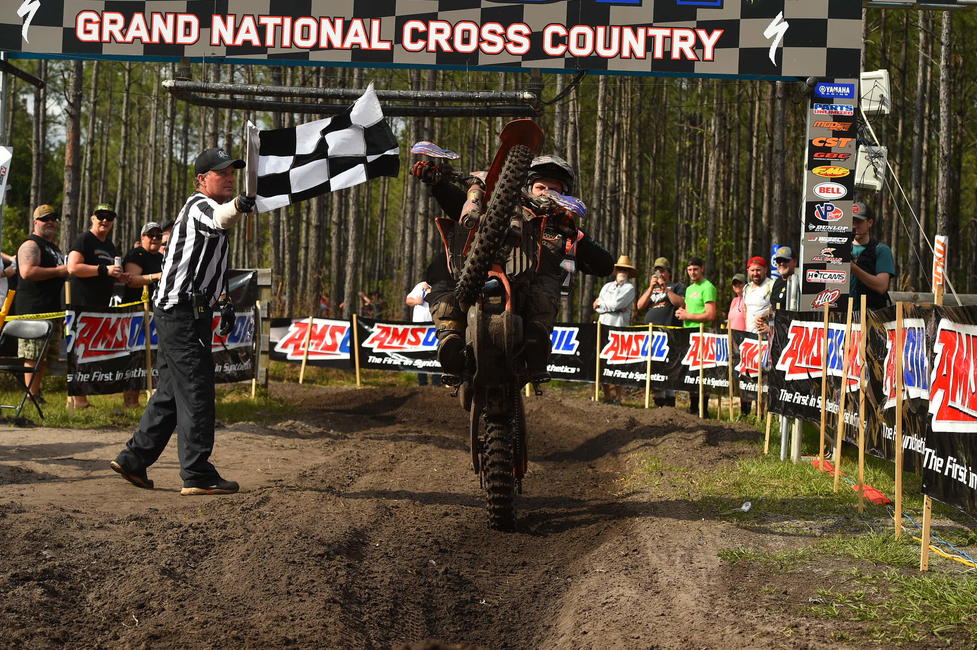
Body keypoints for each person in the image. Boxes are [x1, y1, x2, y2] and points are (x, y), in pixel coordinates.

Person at [111, 147, 254, 496]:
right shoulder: (198, 206)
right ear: (201, 180)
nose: (231, 177)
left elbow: (213, 269)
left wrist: (223, 302)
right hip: (182, 314)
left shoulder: (212, 213)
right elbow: (221, 218)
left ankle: (134, 459)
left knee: (172, 393)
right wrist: (240, 203)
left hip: (186, 312)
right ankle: (197, 473)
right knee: (197, 391)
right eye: (222, 173)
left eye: (233, 171)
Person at [414, 153, 613, 384]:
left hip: (530, 295)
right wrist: (437, 183)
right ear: (528, 187)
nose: (547, 193)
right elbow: (461, 205)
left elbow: (605, 264)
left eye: (554, 190)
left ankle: (536, 340)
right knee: (444, 260)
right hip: (477, 275)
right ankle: (449, 334)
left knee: (546, 280)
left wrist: (572, 233)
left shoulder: (563, 227)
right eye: (541, 187)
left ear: (565, 196)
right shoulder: (501, 207)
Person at [66, 203, 128, 409]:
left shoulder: (110, 246)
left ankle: (76, 398)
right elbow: (73, 267)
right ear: (92, 218)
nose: (105, 220)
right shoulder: (84, 239)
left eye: (109, 217)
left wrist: (119, 276)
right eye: (100, 215)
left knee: (89, 351)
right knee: (79, 350)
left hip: (100, 305)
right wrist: (104, 270)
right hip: (81, 303)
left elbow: (109, 272)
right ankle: (79, 400)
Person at [15, 205, 69, 403]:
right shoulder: (31, 244)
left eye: (53, 218)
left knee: (44, 357)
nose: (50, 222)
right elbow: (27, 272)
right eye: (45, 219)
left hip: (52, 310)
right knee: (32, 354)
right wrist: (59, 270)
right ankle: (30, 395)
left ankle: (35, 393)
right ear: (35, 222)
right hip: (34, 310)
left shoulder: (53, 247)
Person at [120, 221, 165, 408]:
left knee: (154, 356)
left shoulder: (162, 256)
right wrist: (155, 276)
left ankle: (155, 399)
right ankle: (131, 401)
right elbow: (131, 279)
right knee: (135, 357)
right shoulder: (137, 254)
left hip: (156, 311)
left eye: (158, 235)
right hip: (135, 311)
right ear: (142, 238)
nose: (154, 238)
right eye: (150, 235)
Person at [637, 256, 685, 408]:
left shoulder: (676, 286)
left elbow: (681, 302)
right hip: (651, 335)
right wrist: (651, 287)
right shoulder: (652, 289)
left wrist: (665, 288)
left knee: (669, 370)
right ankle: (659, 407)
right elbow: (640, 306)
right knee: (655, 370)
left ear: (668, 272)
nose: (659, 274)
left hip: (669, 333)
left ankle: (670, 407)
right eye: (656, 271)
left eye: (662, 271)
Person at [675, 257, 717, 415]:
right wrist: (681, 313)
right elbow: (687, 311)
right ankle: (693, 408)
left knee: (702, 373)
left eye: (695, 269)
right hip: (688, 334)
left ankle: (703, 410)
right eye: (690, 270)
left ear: (702, 269)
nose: (692, 273)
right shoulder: (689, 289)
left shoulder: (708, 287)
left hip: (703, 334)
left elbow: (711, 315)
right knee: (691, 373)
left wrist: (687, 316)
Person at [594, 255, 637, 403]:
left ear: (628, 272)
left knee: (618, 364)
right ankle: (606, 395)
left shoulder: (629, 288)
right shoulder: (606, 286)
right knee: (602, 362)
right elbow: (598, 306)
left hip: (619, 330)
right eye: (620, 268)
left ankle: (618, 397)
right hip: (603, 327)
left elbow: (613, 304)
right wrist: (609, 306)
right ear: (616, 270)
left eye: (625, 269)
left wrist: (603, 305)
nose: (622, 271)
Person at [850, 201, 893, 310]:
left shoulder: (881, 250)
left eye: (858, 221)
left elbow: (881, 286)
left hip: (871, 316)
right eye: (851, 221)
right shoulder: (839, 249)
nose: (854, 225)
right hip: (842, 316)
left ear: (870, 223)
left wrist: (852, 268)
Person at [405, 280, 441, 387]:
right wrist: (417, 301)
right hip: (419, 328)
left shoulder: (441, 285)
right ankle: (422, 383)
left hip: (435, 326)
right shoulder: (421, 285)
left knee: (436, 354)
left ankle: (436, 383)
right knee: (421, 355)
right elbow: (408, 300)